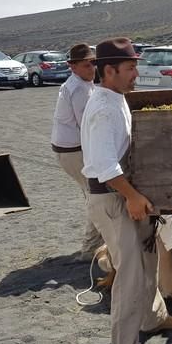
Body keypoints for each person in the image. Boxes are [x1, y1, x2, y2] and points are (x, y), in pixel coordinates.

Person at [81, 37, 172, 344]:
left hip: (126, 195)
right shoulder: (102, 108)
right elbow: (105, 165)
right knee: (128, 274)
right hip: (113, 199)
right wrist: (132, 196)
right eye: (129, 68)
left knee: (148, 261)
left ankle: (152, 318)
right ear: (108, 70)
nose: (136, 73)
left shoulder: (117, 98)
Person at [50, 43, 102, 261]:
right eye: (86, 64)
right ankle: (91, 248)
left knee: (93, 194)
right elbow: (88, 125)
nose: (92, 68)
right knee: (96, 196)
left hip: (71, 148)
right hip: (73, 150)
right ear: (73, 67)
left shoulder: (82, 84)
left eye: (93, 63)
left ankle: (96, 242)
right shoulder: (79, 89)